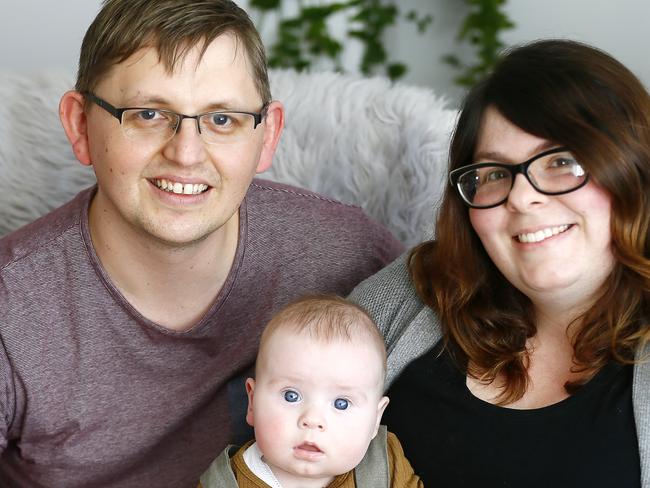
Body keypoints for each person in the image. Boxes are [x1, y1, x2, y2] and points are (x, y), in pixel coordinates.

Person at [0, 1, 403, 486]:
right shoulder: (12, 309)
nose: (186, 154)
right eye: (148, 113)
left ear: (267, 135)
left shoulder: (348, 256)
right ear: (80, 125)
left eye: (222, 120)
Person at [350, 39, 650, 488]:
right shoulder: (411, 291)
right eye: (493, 173)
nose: (522, 197)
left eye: (561, 161)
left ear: (633, 170)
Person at [199, 295, 424, 488]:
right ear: (252, 402)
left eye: (341, 403)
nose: (313, 420)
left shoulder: (384, 465)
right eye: (291, 396)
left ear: (375, 419)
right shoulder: (224, 482)